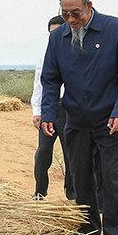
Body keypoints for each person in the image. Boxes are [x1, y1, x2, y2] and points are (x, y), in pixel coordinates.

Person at [40, 0, 118, 235]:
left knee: (113, 179)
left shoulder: (115, 29)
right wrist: (48, 114)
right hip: (76, 120)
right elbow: (50, 80)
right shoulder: (57, 38)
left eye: (76, 13)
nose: (71, 19)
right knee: (80, 179)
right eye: (65, 14)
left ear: (89, 7)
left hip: (110, 121)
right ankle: (88, 232)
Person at [31, 15, 74, 200]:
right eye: (51, 33)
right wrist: (37, 111)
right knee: (43, 152)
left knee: (70, 154)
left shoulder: (76, 53)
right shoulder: (45, 55)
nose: (54, 37)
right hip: (49, 109)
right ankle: (40, 191)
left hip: (70, 110)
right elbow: (39, 85)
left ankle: (72, 194)